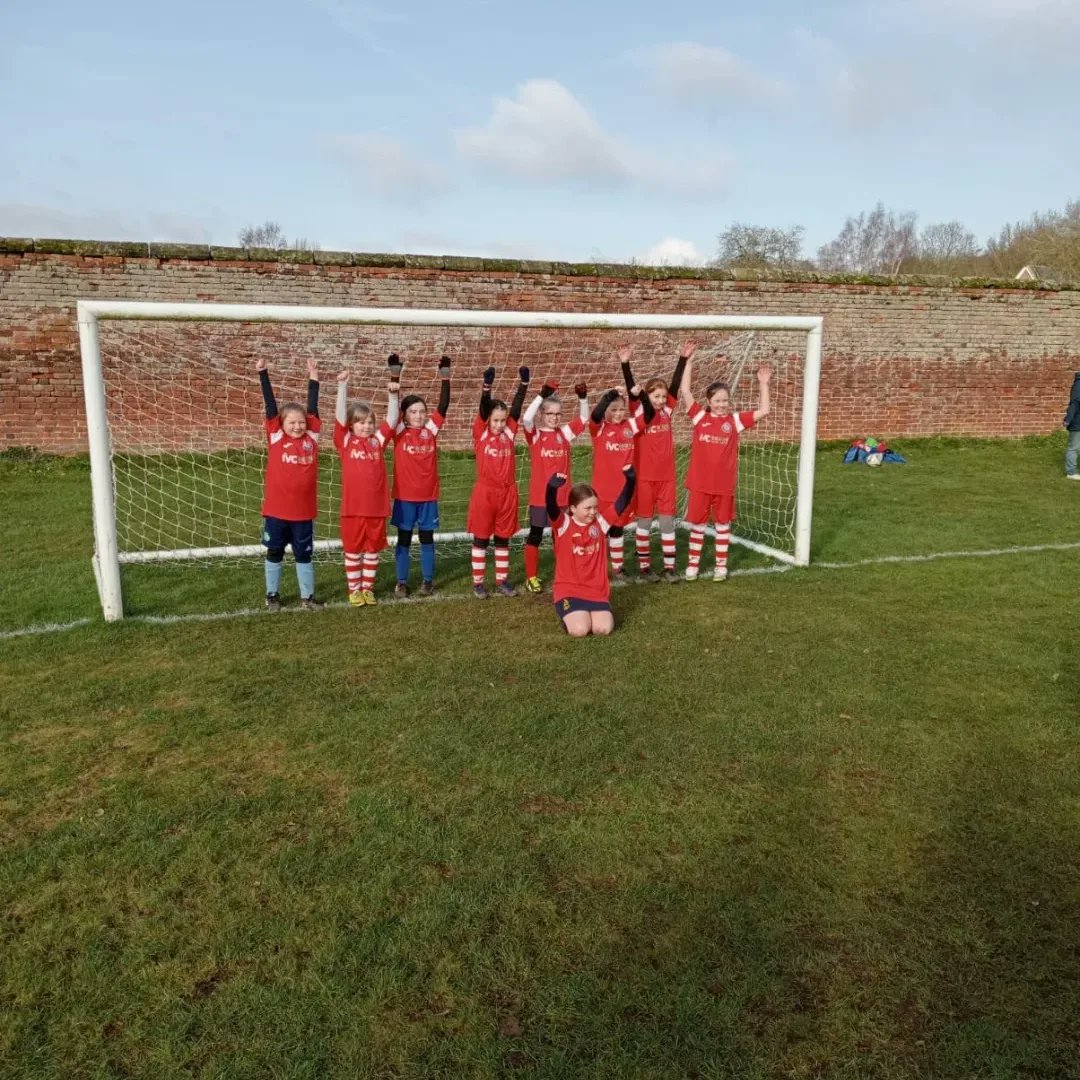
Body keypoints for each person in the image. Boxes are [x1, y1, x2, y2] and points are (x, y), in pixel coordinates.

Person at [679, 356, 772, 581]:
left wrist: (763, 384)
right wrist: (689, 363)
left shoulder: (735, 421)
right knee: (698, 525)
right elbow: (685, 391)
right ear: (709, 401)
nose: (722, 405)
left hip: (723, 486)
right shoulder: (700, 417)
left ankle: (721, 566)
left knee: (722, 525)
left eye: (725, 401)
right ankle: (692, 565)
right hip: (700, 484)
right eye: (718, 401)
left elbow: (764, 411)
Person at [620, 342, 694, 582]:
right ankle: (644, 567)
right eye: (656, 396)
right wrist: (625, 364)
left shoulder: (667, 412)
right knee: (643, 523)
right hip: (644, 478)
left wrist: (682, 359)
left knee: (666, 523)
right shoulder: (640, 414)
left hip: (666, 478)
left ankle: (670, 568)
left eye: (663, 397)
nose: (661, 400)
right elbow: (634, 390)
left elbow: (674, 385)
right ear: (647, 396)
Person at [256, 356, 324, 611]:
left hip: (303, 513)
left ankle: (308, 597)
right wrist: (263, 373)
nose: (297, 426)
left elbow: (313, 407)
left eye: (301, 422)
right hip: (276, 511)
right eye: (292, 422)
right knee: (274, 552)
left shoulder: (312, 438)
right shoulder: (275, 437)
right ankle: (272, 595)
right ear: (281, 424)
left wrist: (313, 376)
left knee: (304, 554)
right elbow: (270, 406)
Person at [334, 354, 401, 606]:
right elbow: (340, 419)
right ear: (352, 426)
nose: (366, 426)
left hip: (376, 508)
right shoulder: (345, 441)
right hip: (353, 509)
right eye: (361, 423)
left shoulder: (378, 442)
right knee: (353, 549)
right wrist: (342, 387)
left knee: (373, 549)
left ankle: (368, 588)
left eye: (369, 422)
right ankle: (354, 589)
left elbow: (392, 420)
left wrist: (393, 395)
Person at [546, 465, 636, 638]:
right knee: (580, 630)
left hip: (596, 590)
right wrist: (551, 489)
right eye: (587, 508)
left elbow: (622, 501)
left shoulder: (600, 523)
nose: (593, 512)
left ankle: (592, 611)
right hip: (569, 590)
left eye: (595, 507)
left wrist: (631, 479)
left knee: (603, 629)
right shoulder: (564, 524)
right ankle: (569, 617)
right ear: (572, 509)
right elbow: (551, 507)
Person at [520, 379, 590, 593]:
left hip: (562, 499)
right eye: (550, 414)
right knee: (536, 535)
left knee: (562, 536)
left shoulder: (565, 434)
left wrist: (583, 398)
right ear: (542, 415)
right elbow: (526, 418)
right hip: (540, 498)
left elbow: (584, 418)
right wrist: (542, 394)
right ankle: (531, 577)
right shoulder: (536, 436)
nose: (554, 418)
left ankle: (565, 574)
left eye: (558, 414)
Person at [390, 354, 451, 596]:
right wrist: (395, 374)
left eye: (421, 411)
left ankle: (427, 580)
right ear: (404, 415)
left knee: (427, 538)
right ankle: (401, 582)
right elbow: (393, 407)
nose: (418, 415)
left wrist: (445, 376)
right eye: (413, 412)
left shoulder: (430, 430)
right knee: (403, 539)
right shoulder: (398, 431)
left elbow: (443, 405)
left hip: (428, 497)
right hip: (405, 498)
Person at [468, 364, 530, 597]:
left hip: (507, 493)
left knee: (503, 538)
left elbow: (516, 408)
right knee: (482, 538)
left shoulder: (510, 433)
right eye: (495, 420)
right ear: (488, 421)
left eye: (502, 420)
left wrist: (523, 385)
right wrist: (487, 387)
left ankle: (502, 580)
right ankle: (478, 583)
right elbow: (483, 410)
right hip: (485, 493)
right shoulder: (481, 432)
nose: (499, 424)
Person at [588, 384, 644, 582]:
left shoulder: (631, 426)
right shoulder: (599, 428)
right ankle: (597, 568)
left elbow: (650, 415)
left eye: (622, 409)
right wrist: (611, 393)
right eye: (614, 409)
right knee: (599, 530)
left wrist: (640, 394)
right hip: (602, 491)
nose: (619, 413)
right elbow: (595, 415)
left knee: (618, 529)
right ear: (606, 411)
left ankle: (618, 568)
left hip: (623, 491)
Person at [1064, 370, 1080, 479]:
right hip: (1077, 422)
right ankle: (1071, 472)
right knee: (1073, 447)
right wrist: (1068, 419)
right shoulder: (1079, 384)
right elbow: (1075, 403)